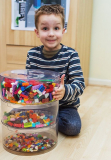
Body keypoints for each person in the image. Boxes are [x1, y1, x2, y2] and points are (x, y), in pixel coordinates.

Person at [26, 4, 85, 136]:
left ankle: (44, 121)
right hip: (41, 104)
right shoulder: (32, 54)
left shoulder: (71, 54)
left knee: (73, 127)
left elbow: (80, 84)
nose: (51, 33)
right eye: (45, 28)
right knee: (20, 115)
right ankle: (43, 119)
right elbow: (29, 81)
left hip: (65, 105)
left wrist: (64, 91)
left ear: (63, 31)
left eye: (56, 28)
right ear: (37, 32)